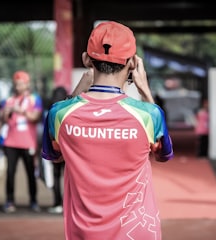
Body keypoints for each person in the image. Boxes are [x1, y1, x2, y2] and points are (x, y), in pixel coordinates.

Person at [41, 21, 174, 239]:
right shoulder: (149, 115)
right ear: (132, 63)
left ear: (86, 59)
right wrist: (145, 91)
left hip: (84, 233)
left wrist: (75, 94)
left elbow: (54, 156)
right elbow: (163, 155)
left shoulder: (59, 113)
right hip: (136, 233)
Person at [0, 70, 43, 213]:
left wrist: (21, 110)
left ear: (27, 84)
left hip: (28, 142)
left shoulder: (34, 99)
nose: (18, 86)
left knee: (31, 172)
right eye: (16, 84)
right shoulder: (9, 100)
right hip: (10, 142)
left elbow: (35, 117)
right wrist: (5, 112)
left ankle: (33, 200)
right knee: (10, 172)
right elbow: (3, 119)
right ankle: (9, 200)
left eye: (21, 84)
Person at [45, 86, 67, 214]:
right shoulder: (68, 109)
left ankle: (57, 202)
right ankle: (67, 203)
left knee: (56, 176)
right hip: (67, 150)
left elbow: (48, 131)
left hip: (55, 148)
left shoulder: (52, 109)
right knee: (69, 177)